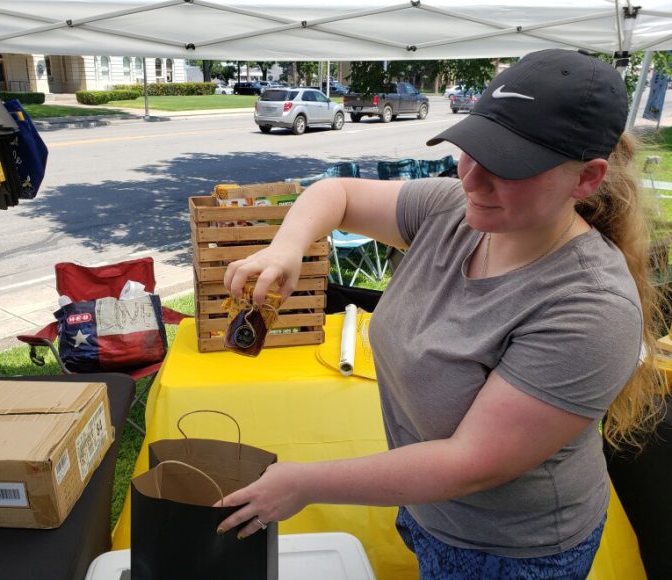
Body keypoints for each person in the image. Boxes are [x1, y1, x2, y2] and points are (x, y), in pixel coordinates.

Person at [217, 49, 668, 578]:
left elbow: (470, 463)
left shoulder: (591, 307)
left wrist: (304, 483)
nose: (473, 179)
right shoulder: (454, 209)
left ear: (586, 179)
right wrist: (287, 246)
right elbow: (336, 193)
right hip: (427, 505)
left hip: (511, 550)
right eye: (472, 149)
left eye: (509, 165)